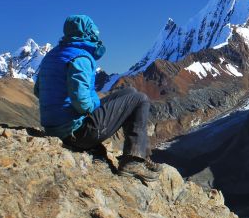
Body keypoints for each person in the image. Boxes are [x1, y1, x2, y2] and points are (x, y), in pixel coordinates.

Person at [34, 14, 162, 182]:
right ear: (87, 33)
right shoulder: (80, 57)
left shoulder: (52, 55)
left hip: (55, 128)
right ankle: (133, 161)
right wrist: (95, 105)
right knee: (140, 99)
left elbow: (38, 91)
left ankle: (140, 157)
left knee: (129, 92)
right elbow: (82, 103)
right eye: (94, 31)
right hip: (76, 134)